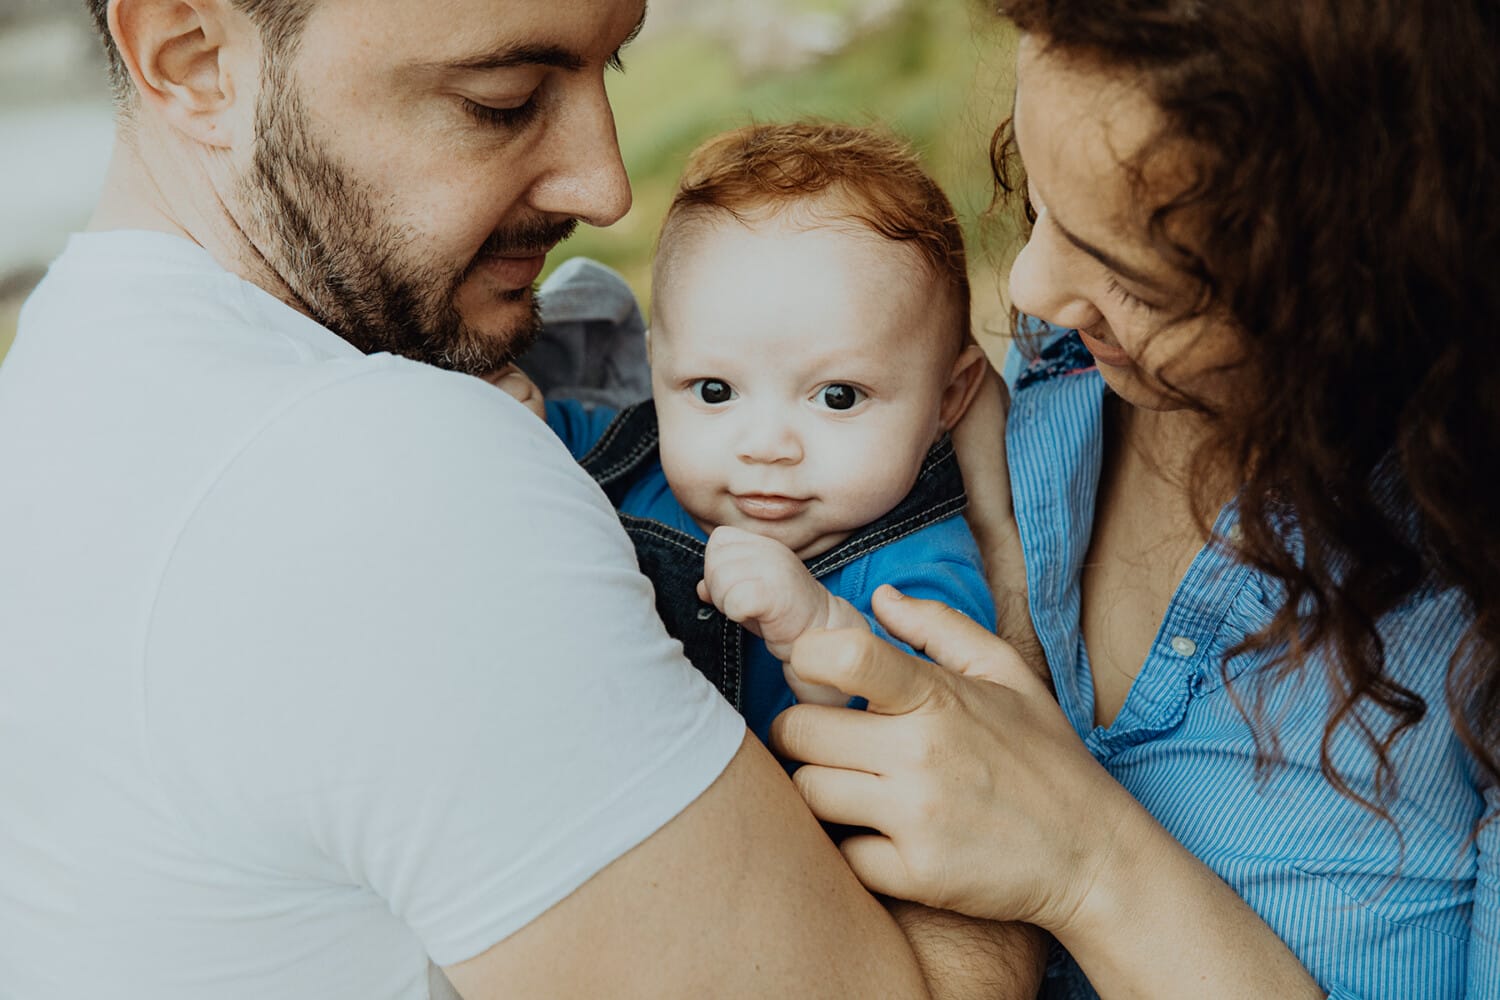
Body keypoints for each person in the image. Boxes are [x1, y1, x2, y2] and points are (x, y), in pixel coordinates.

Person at [0, 1, 1044, 997]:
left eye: (611, 63)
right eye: (501, 98)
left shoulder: (59, 376)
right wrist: (1019, 756)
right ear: (191, 56)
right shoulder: (388, 477)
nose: (606, 185)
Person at [772, 2, 1499, 998]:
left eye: (1139, 279)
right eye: (1041, 202)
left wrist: (1089, 866)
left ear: (1369, 283)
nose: (1028, 289)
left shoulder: (1467, 614)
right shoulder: (1062, 376)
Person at [498, 121, 995, 747]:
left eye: (837, 397)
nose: (765, 446)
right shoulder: (634, 455)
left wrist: (816, 628)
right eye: (714, 391)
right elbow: (539, 452)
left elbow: (935, 728)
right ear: (656, 374)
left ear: (948, 399)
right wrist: (516, 418)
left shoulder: (915, 570)